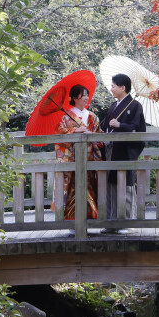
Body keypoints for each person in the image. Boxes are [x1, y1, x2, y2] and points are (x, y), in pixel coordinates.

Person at [99, 74, 146, 232]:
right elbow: (104, 125)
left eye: (113, 86)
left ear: (122, 87)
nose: (111, 89)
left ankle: (126, 222)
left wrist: (120, 124)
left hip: (125, 150)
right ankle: (111, 223)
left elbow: (137, 128)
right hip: (111, 150)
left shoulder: (135, 106)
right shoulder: (113, 106)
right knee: (111, 185)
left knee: (124, 184)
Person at [54, 84, 103, 221]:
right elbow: (59, 135)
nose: (86, 98)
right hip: (72, 160)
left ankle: (91, 217)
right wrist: (74, 131)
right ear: (75, 97)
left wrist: (91, 134)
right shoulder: (66, 117)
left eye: (87, 95)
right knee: (72, 189)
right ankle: (72, 219)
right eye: (83, 95)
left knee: (91, 187)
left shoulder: (92, 116)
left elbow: (100, 137)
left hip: (90, 159)